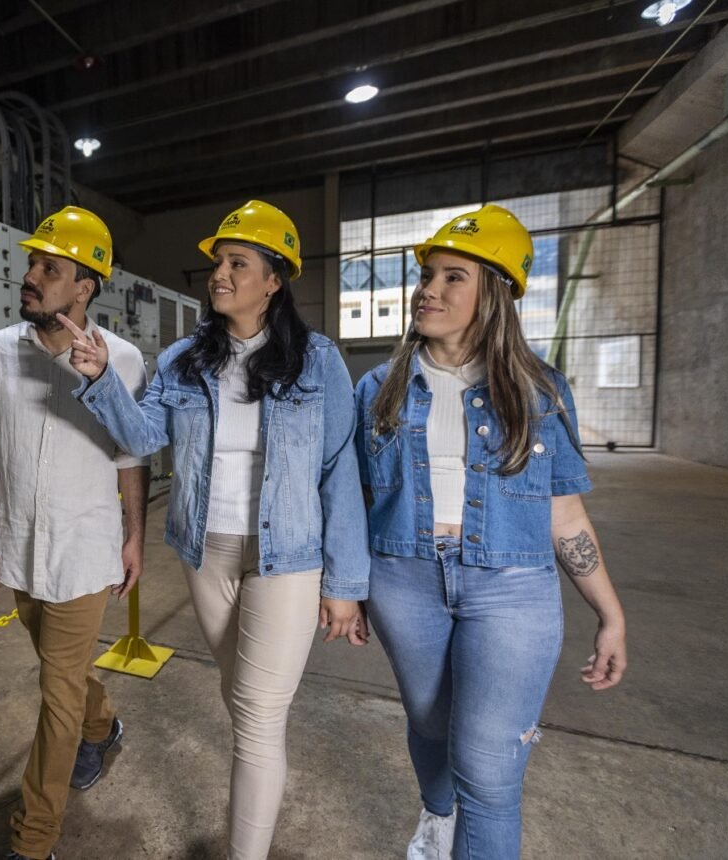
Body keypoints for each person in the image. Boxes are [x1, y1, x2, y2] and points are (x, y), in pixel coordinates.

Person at [58, 200, 370, 860]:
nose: (219, 275)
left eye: (238, 263)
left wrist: (346, 582)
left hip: (286, 556)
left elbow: (339, 468)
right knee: (241, 699)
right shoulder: (183, 359)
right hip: (205, 552)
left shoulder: (318, 362)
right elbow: (144, 436)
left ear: (274, 279)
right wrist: (102, 380)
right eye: (218, 263)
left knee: (256, 716)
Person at [354, 205, 628, 860]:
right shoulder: (378, 388)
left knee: (488, 768)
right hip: (402, 580)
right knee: (430, 726)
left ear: (497, 295)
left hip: (512, 588)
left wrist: (611, 614)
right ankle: (437, 815)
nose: (428, 290)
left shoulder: (541, 392)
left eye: (453, 277)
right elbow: (357, 499)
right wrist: (345, 586)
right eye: (427, 275)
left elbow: (565, 514)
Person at [0, 206, 150, 860]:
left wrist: (134, 536)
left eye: (50, 269)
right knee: (62, 672)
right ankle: (104, 725)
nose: (31, 277)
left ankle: (33, 840)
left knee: (56, 693)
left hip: (85, 551)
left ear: (85, 287)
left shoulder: (122, 359)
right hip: (19, 548)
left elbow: (131, 454)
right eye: (33, 264)